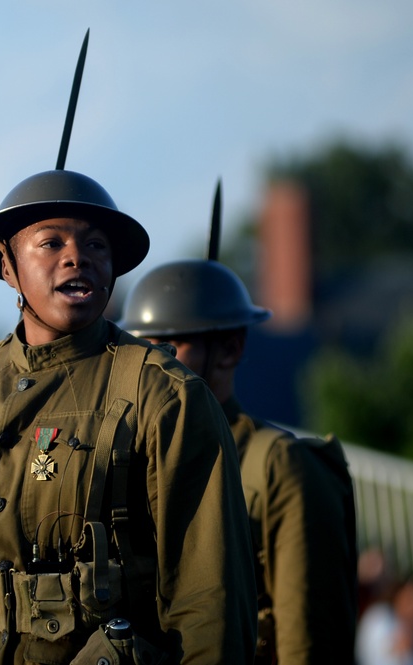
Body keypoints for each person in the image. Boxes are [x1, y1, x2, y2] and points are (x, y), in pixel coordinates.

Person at [0, 161, 257, 662]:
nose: (77, 257)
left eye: (96, 245)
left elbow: (210, 602)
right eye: (51, 243)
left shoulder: (165, 396)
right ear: (7, 265)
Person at [118, 192, 358, 664]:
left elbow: (308, 639)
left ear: (228, 350)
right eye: (141, 350)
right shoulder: (131, 463)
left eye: (169, 349)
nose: (151, 368)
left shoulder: (280, 466)